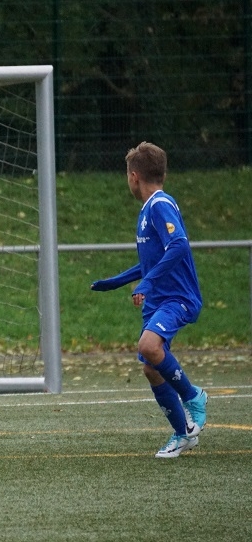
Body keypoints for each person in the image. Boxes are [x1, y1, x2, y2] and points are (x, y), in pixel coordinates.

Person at [91, 141, 208, 458]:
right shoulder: (149, 210)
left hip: (176, 296)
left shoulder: (159, 204)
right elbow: (151, 261)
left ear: (134, 176)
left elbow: (179, 244)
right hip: (158, 299)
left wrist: (148, 281)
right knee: (151, 368)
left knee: (148, 347)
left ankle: (193, 396)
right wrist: (116, 281)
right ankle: (183, 434)